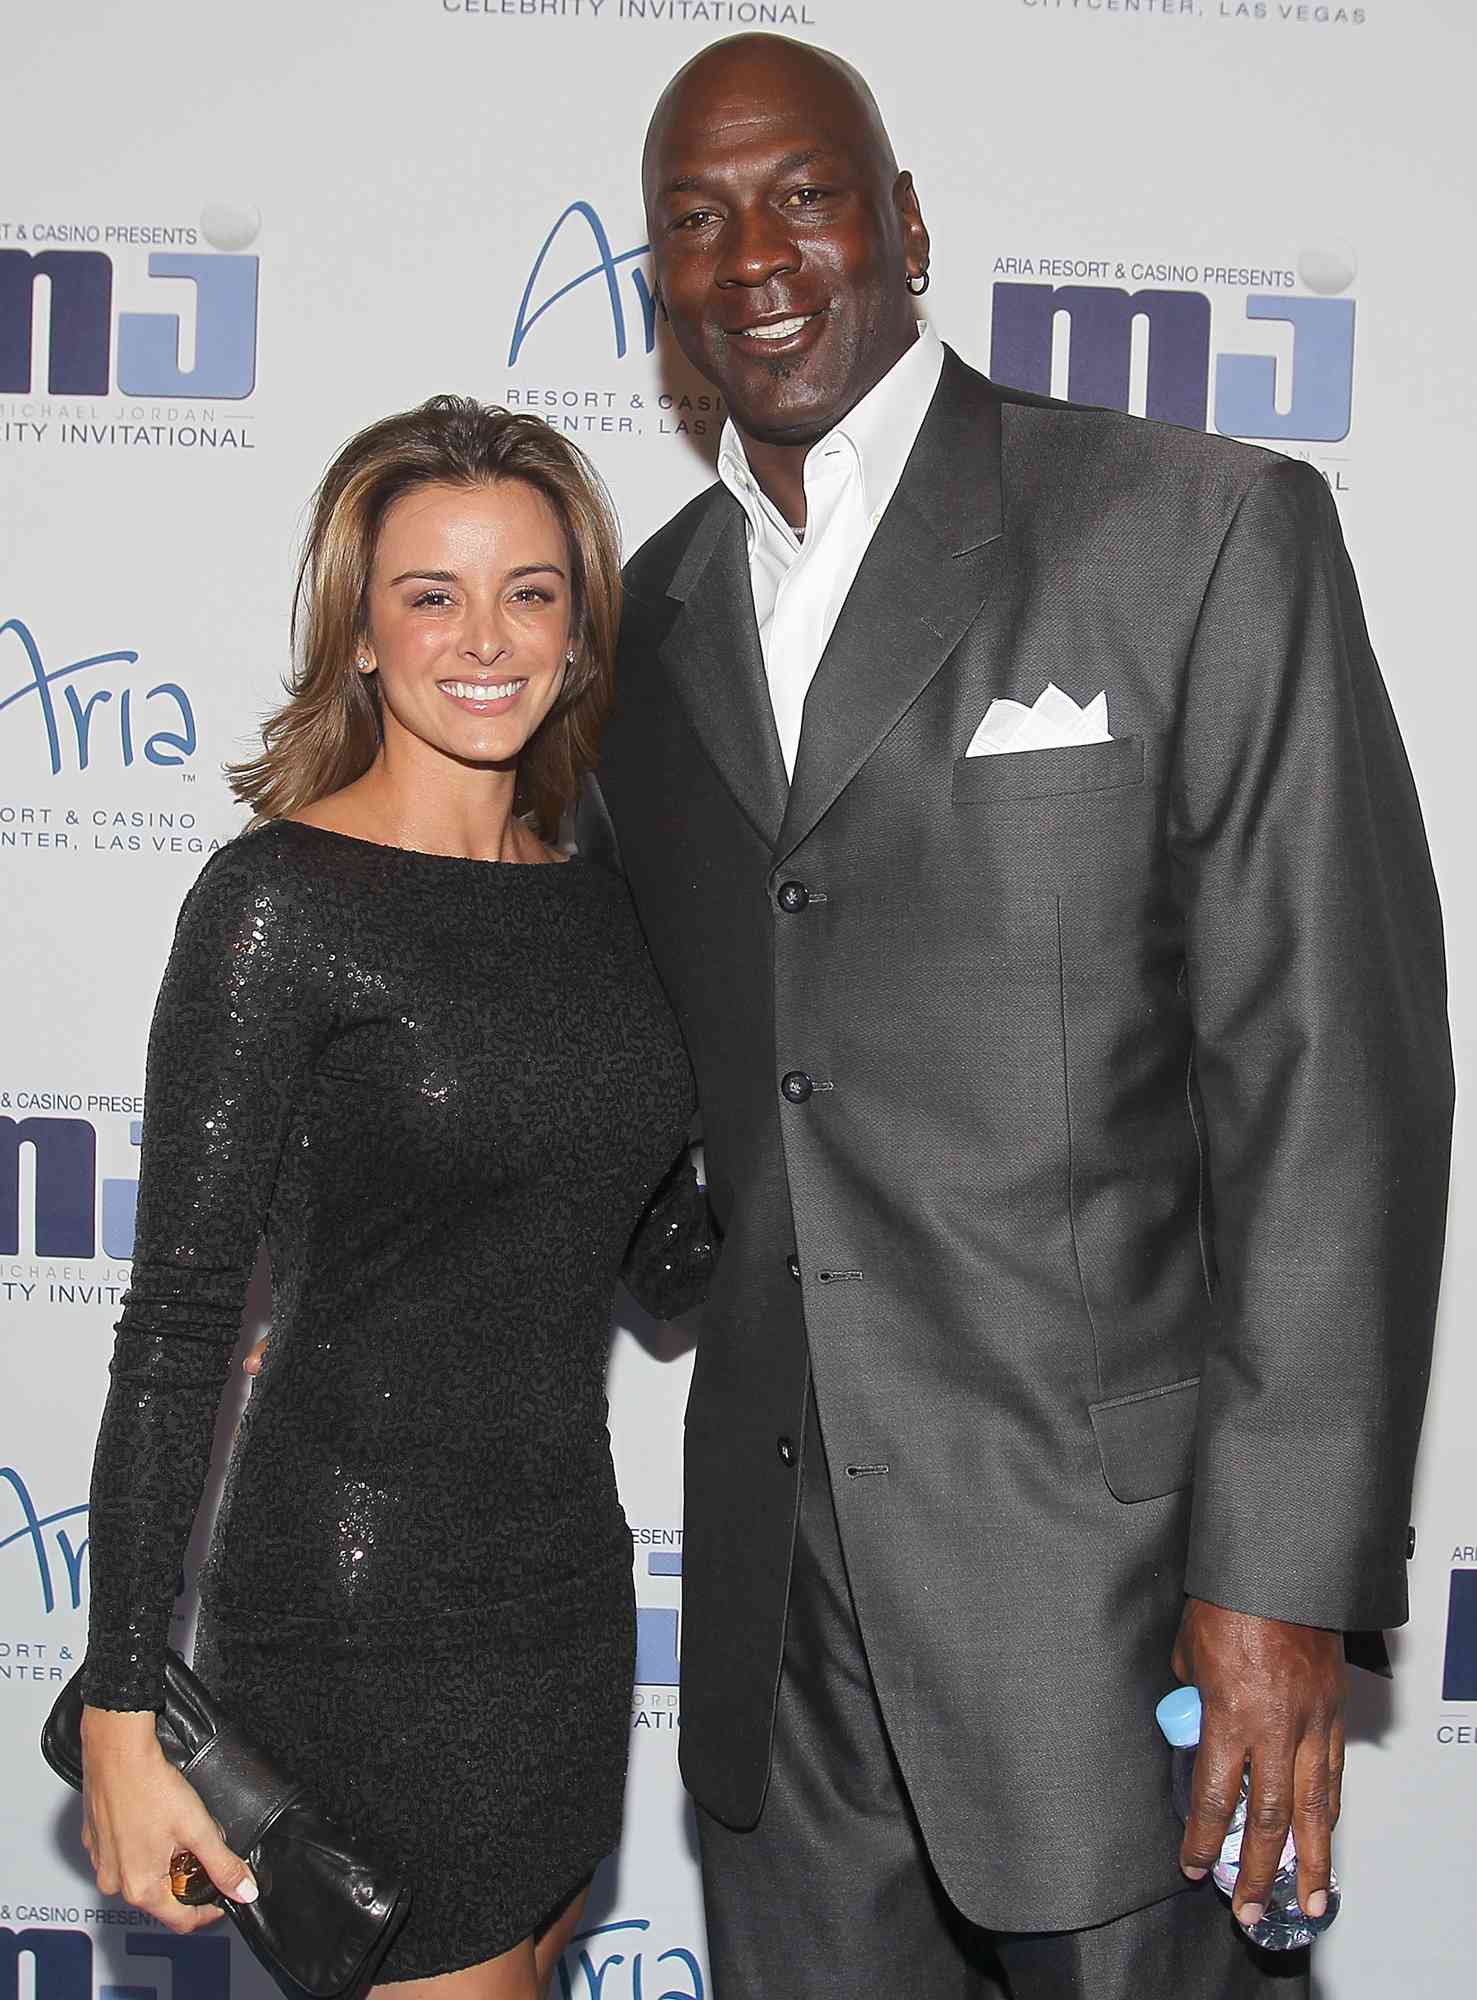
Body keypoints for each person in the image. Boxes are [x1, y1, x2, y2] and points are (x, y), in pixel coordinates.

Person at [575, 32, 1455, 1999]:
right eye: (694, 222)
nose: (756, 257)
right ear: (660, 290)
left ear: (899, 224)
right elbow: (654, 1050)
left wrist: (1278, 1583)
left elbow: (1333, 1072)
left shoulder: (1192, 530)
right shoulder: (645, 630)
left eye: (802, 194)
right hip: (778, 1667)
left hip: (1124, 1616)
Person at [76, 396, 709, 2000]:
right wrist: (122, 1703)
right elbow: (175, 1328)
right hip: (363, 1612)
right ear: (359, 633)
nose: (482, 639)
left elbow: (665, 1260)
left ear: (580, 632)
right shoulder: (278, 906)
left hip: (565, 1601)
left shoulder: (600, 900)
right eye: (430, 594)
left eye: (531, 591)